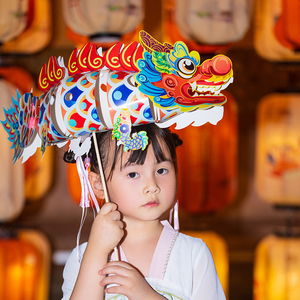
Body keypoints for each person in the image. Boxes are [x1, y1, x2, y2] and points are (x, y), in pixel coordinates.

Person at [62, 124, 226, 300]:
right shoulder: (82, 259)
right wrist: (97, 252)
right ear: (98, 184)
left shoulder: (194, 255)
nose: (152, 186)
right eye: (133, 174)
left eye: (161, 171)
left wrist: (146, 296)